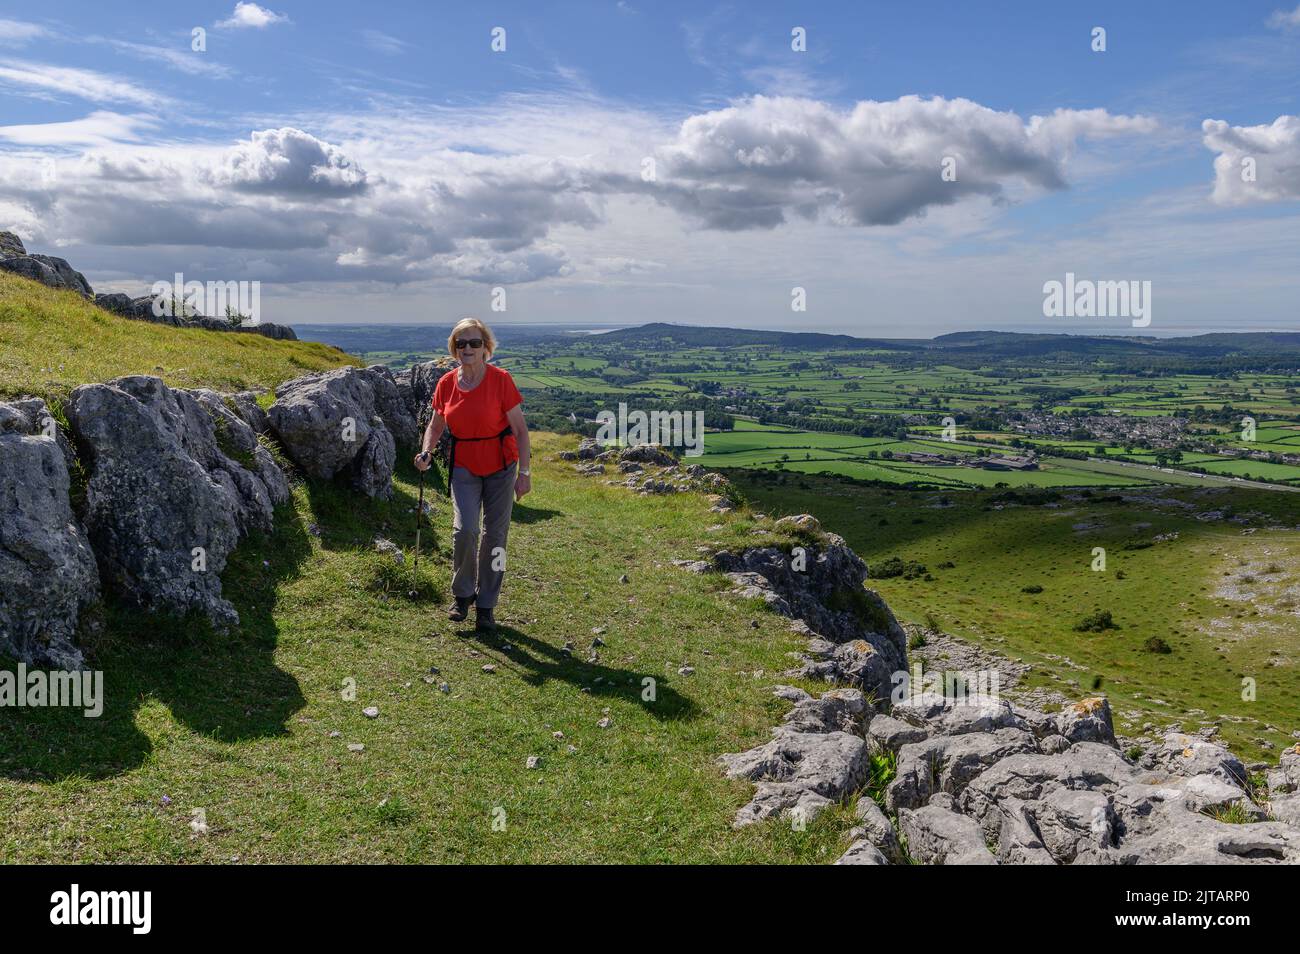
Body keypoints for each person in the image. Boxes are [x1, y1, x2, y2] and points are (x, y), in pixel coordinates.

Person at [413, 318, 531, 632]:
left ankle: (487, 605)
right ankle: (462, 595)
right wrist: (427, 452)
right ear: (454, 349)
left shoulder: (501, 380)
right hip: (464, 465)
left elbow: (520, 430)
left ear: (485, 348)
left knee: (496, 538)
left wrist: (525, 472)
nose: (467, 348)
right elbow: (436, 426)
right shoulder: (447, 383)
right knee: (465, 530)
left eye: (474, 343)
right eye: (461, 343)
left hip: (501, 468)